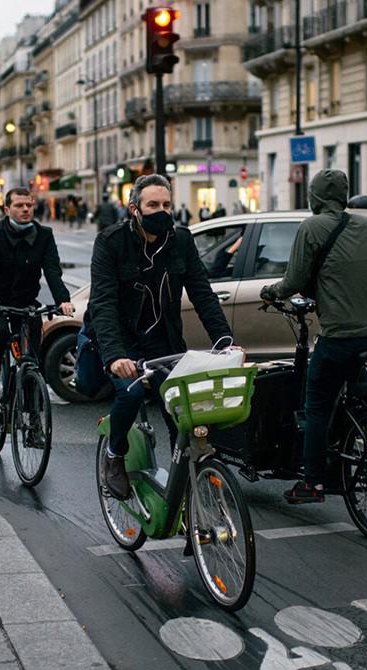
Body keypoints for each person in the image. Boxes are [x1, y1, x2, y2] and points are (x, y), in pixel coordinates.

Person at [89, 174, 233, 501]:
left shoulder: (180, 240)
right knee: (130, 394)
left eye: (167, 204)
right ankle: (114, 454)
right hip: (124, 343)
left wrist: (224, 340)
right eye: (153, 205)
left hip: (165, 342)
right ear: (134, 209)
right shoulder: (111, 242)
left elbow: (202, 293)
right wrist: (114, 356)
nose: (162, 211)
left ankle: (185, 478)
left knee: (182, 412)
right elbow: (104, 304)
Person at [259, 169, 367, 504]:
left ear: (313, 197)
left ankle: (313, 482)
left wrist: (270, 291)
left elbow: (294, 280)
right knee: (351, 391)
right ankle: (356, 445)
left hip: (340, 335)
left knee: (315, 402)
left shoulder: (312, 227)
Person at [0, 188, 75, 414]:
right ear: (7, 210)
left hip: (26, 303)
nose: (26, 209)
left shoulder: (44, 235)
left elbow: (52, 272)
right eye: (19, 206)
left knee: (32, 359)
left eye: (29, 205)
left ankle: (33, 417)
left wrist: (63, 301)